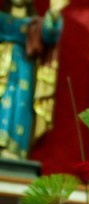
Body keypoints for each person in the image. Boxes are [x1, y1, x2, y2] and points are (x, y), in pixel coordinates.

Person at [0, 0, 65, 159]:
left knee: (19, 105)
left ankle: (14, 149)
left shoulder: (35, 25)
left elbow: (49, 35)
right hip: (2, 65)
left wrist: (54, 14)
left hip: (24, 69)